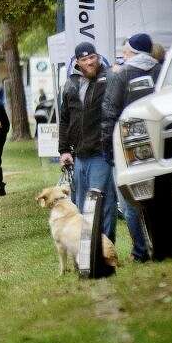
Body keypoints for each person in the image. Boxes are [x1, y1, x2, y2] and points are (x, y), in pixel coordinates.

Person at [102, 33, 163, 262]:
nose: (123, 56)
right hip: (158, 144)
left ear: (134, 52)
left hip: (127, 148)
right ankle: (164, 243)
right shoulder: (162, 71)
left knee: (130, 202)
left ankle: (140, 251)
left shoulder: (122, 75)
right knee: (157, 197)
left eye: (126, 52)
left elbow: (109, 113)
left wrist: (108, 149)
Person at [59, 41, 116, 242]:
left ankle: (106, 247)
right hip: (78, 155)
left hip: (102, 151)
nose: (90, 62)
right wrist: (64, 150)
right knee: (82, 205)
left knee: (102, 201)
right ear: (78, 62)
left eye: (92, 57)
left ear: (98, 57)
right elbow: (65, 119)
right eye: (85, 59)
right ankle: (87, 251)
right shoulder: (71, 84)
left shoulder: (109, 78)